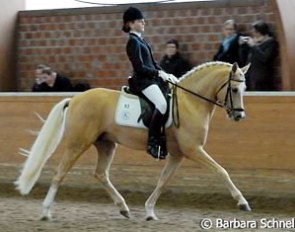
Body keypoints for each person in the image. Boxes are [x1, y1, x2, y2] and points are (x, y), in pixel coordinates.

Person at [122, 7, 178, 159]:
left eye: (143, 20)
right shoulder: (132, 42)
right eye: (140, 21)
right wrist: (158, 73)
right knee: (162, 104)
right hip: (143, 81)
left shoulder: (141, 40)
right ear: (131, 24)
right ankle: (152, 142)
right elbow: (139, 67)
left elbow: (153, 64)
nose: (143, 22)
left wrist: (166, 74)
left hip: (151, 79)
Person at [239, 20, 279, 91]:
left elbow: (264, 58)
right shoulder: (254, 42)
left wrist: (254, 46)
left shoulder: (270, 43)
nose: (254, 34)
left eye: (255, 32)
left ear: (261, 32)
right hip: (251, 76)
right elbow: (244, 59)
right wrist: (242, 46)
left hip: (263, 78)